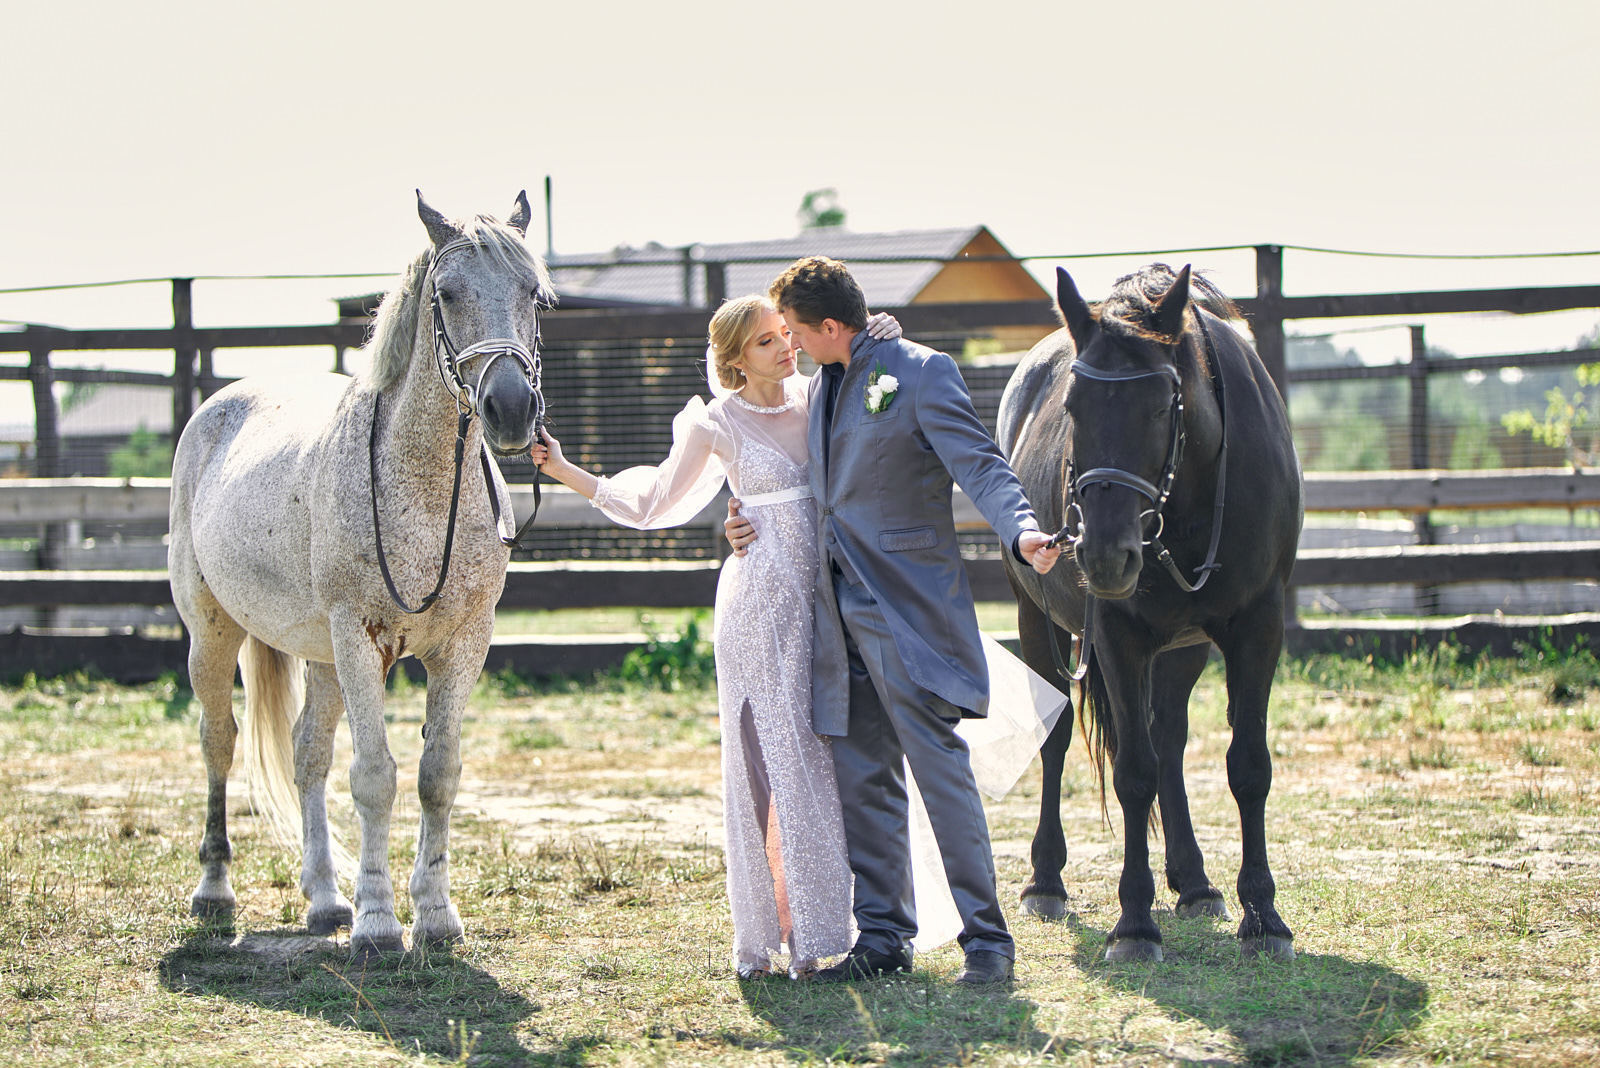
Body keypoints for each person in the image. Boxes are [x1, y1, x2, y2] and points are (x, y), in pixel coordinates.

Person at [529, 296, 903, 980]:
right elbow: (652, 503)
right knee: (773, 762)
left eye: (784, 335)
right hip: (758, 608)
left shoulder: (821, 395)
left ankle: (830, 926)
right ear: (735, 359)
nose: (785, 348)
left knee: (821, 760)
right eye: (766, 342)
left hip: (824, 604)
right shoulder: (716, 423)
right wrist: (563, 470)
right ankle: (779, 937)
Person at [727, 256, 1060, 986]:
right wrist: (741, 520)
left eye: (794, 333)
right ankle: (882, 942)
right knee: (864, 781)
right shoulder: (818, 389)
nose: (788, 347)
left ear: (830, 326)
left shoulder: (920, 372)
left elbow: (981, 464)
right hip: (832, 619)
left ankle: (988, 942)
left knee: (941, 776)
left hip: (907, 611)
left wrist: (1022, 530)